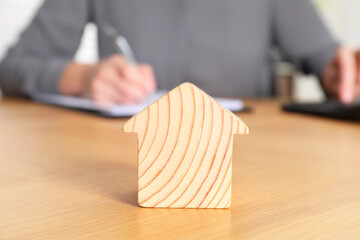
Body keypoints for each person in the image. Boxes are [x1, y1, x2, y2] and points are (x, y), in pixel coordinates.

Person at [0, 0, 359, 104]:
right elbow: (12, 67)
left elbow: (325, 57)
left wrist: (341, 71)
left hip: (246, 161)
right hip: (122, 160)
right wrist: (83, 77)